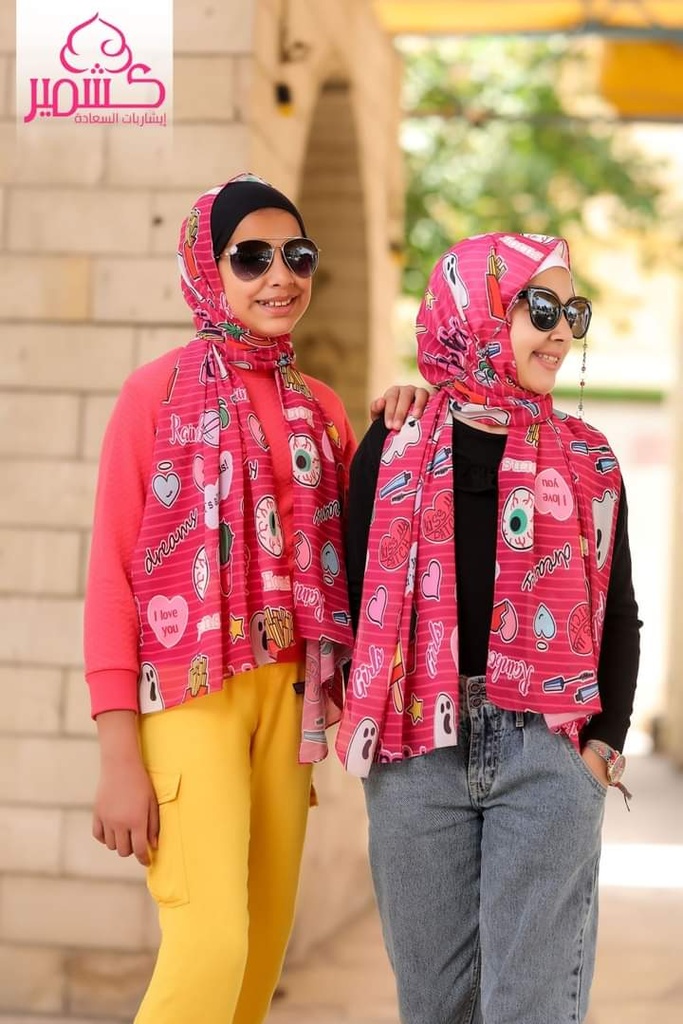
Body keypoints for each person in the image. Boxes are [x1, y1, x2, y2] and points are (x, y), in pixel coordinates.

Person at [83, 172, 427, 1024]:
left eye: (296, 255)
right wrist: (118, 756)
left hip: (289, 697)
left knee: (259, 955)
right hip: (188, 696)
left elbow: (363, 549)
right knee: (210, 947)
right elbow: (112, 577)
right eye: (252, 257)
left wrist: (398, 423)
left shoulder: (321, 409)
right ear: (208, 266)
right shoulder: (153, 393)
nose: (281, 275)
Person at [337, 232, 641, 1024]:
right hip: (415, 755)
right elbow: (355, 603)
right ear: (474, 309)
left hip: (546, 748)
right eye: (540, 308)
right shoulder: (394, 443)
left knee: (527, 1009)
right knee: (433, 1008)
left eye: (573, 311)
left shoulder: (589, 460)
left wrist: (599, 751)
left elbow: (620, 611)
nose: (562, 331)